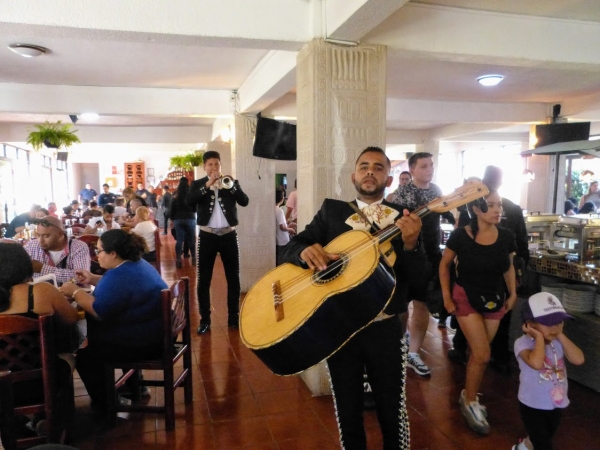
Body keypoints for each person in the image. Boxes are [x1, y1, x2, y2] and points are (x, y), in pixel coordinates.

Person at [281, 146, 428, 449]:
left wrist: (412, 245)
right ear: (353, 176)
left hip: (386, 326)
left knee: (392, 408)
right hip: (341, 329)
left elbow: (419, 279)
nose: (370, 171)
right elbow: (292, 246)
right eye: (363, 166)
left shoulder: (406, 219)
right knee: (347, 408)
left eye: (378, 167)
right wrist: (302, 251)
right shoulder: (332, 211)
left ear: (389, 180)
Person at [59, 230, 167, 409]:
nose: (96, 255)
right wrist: (93, 278)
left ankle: (108, 402)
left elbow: (99, 312)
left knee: (86, 358)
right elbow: (120, 288)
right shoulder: (135, 264)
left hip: (144, 344)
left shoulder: (120, 275)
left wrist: (75, 292)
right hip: (153, 333)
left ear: (113, 253)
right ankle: (136, 388)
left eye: (99, 250)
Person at [439, 189, 517, 435]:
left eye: (499, 205)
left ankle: (469, 393)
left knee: (478, 352)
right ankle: (471, 401)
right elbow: (444, 264)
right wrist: (446, 296)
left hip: (494, 298)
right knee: (483, 354)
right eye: (491, 205)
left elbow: (508, 267)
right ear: (475, 209)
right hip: (466, 296)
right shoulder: (462, 236)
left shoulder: (506, 236)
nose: (497, 210)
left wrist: (513, 293)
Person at [449, 166, 529, 372]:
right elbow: (521, 244)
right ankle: (495, 358)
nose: (496, 209)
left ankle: (465, 353)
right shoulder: (503, 207)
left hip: (486, 281)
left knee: (481, 336)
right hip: (480, 283)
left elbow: (512, 255)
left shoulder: (495, 210)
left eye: (498, 205)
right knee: (489, 333)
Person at [386, 152, 446, 376]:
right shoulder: (403, 193)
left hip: (431, 253)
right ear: (412, 170)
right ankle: (399, 345)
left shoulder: (437, 191)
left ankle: (413, 352)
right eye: (423, 166)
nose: (429, 170)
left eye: (430, 165)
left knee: (423, 302)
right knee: (402, 305)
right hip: (407, 254)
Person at [187, 150, 249, 334]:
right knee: (204, 279)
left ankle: (233, 318)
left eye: (217, 164)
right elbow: (190, 201)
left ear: (221, 165)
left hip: (229, 235)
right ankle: (205, 320)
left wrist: (232, 188)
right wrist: (207, 185)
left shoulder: (230, 182)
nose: (214, 167)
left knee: (234, 278)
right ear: (204, 166)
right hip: (207, 236)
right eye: (211, 164)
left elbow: (244, 201)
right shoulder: (198, 184)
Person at [513, 292, 584, 450]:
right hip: (532, 404)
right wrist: (538, 338)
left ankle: (522, 447)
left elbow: (578, 359)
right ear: (530, 325)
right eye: (549, 323)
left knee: (545, 435)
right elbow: (536, 363)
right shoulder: (522, 343)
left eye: (559, 322)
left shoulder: (557, 341)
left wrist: (560, 335)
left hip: (556, 402)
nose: (555, 328)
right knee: (543, 444)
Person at [24, 216, 91, 285]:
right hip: (40, 293)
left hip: (72, 294)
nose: (40, 240)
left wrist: (42, 269)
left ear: (60, 234)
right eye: (38, 235)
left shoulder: (78, 247)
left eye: (46, 236)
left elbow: (82, 278)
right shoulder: (31, 246)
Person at [169, 177, 196, 268]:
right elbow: (195, 208)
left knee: (180, 240)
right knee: (191, 239)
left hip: (178, 219)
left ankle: (178, 259)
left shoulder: (175, 196)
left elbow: (172, 210)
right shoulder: (191, 195)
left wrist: (172, 220)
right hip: (190, 218)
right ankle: (194, 258)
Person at [275, 189, 294, 265]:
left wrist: (288, 225)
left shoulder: (272, 209)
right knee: (282, 260)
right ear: (282, 199)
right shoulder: (279, 211)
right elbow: (282, 227)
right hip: (283, 240)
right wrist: (291, 229)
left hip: (277, 239)